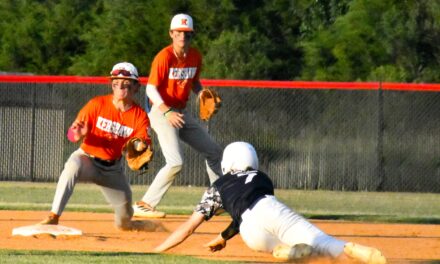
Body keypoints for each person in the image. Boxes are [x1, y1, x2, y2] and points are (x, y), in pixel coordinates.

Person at [153, 142, 387, 264]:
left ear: (228, 162)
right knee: (322, 241)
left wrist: (158, 250)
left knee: (271, 244)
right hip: (269, 206)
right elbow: (255, 205)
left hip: (249, 231)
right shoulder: (261, 178)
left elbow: (189, 227)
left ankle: (281, 252)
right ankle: (348, 248)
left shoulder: (218, 186)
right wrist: (223, 237)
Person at [38, 62, 159, 231]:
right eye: (116, 82)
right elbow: (71, 136)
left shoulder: (140, 116)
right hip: (87, 159)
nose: (120, 86)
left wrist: (140, 147)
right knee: (72, 167)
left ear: (136, 87)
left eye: (126, 83)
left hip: (112, 169)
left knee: (124, 220)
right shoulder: (97, 104)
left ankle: (137, 225)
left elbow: (142, 143)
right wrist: (78, 134)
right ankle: (54, 216)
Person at [133, 13, 223, 218]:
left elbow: (194, 81)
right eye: (179, 32)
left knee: (214, 151)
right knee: (175, 162)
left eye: (187, 33)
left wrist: (201, 93)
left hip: (180, 111)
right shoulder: (164, 57)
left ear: (192, 36)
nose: (183, 36)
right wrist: (166, 111)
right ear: (171, 34)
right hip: (160, 109)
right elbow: (150, 89)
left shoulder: (195, 56)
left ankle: (217, 199)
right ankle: (144, 203)